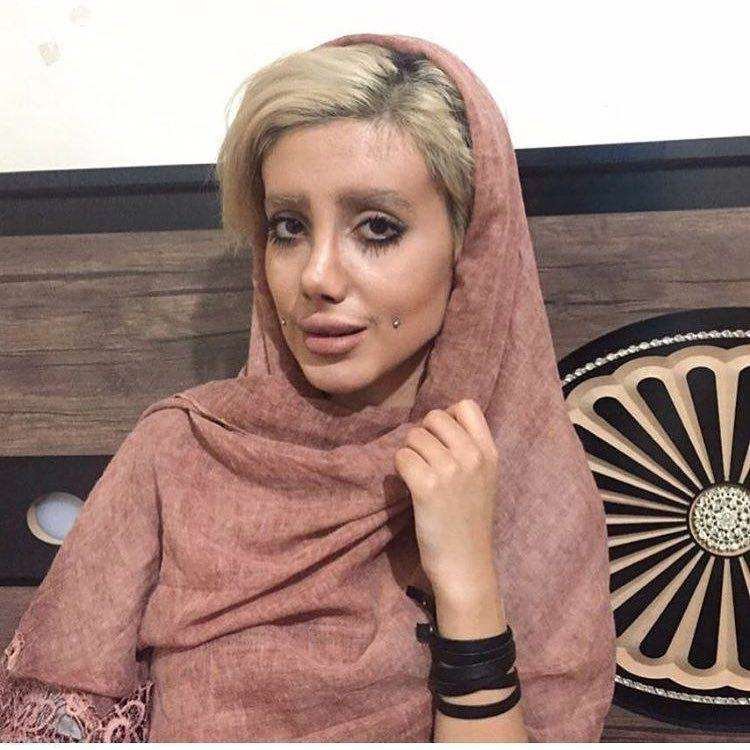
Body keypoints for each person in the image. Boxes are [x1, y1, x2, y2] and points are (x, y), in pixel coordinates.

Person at [0, 32, 616, 742]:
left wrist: (468, 581)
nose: (317, 276)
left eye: (377, 229)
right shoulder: (182, 453)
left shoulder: (527, 482)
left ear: (469, 248)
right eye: (288, 228)